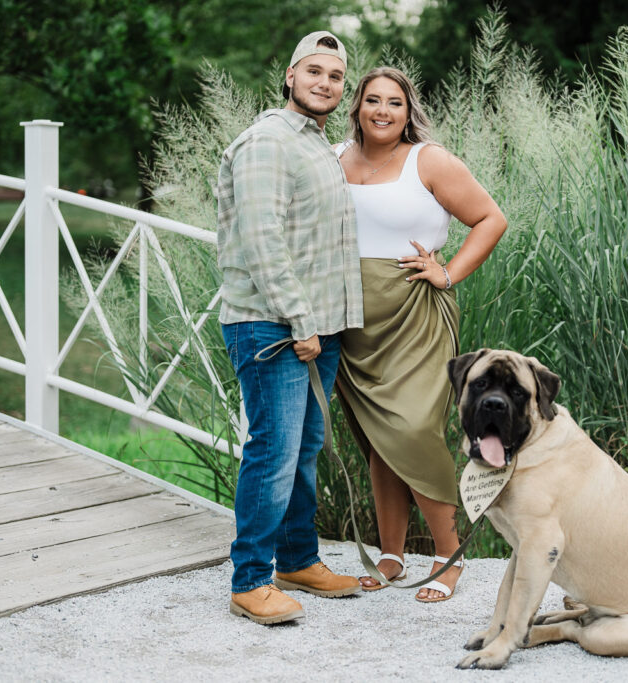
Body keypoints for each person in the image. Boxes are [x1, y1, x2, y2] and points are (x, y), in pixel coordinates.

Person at [334, 67, 507, 602]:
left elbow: (490, 219)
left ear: (409, 112)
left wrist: (449, 272)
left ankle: (448, 553)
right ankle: (390, 556)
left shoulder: (427, 159)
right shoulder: (335, 157)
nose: (383, 111)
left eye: (395, 103)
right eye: (372, 101)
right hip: (353, 322)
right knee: (379, 439)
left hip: (416, 318)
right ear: (357, 106)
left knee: (413, 430)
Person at [216, 30, 364, 625]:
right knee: (274, 450)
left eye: (335, 76)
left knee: (303, 450)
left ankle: (298, 559)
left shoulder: (315, 146)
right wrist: (300, 320)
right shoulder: (268, 143)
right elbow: (262, 241)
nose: (325, 83)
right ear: (289, 76)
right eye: (314, 72)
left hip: (316, 327)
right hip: (272, 325)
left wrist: (325, 325)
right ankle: (249, 581)